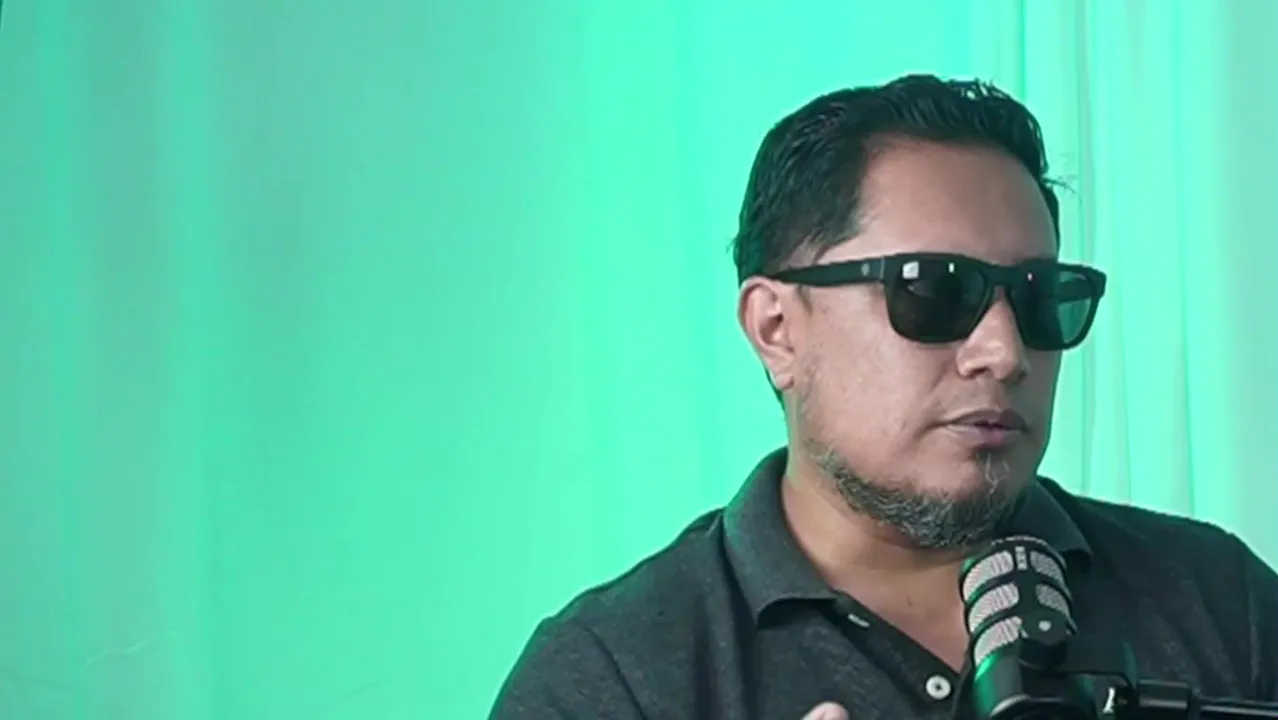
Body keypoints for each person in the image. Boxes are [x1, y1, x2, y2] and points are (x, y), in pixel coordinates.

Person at [488, 74, 1278, 720]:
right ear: (776, 329)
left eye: (1042, 300)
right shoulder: (614, 678)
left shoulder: (1217, 600)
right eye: (934, 291)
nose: (1005, 352)